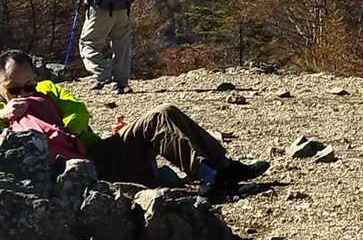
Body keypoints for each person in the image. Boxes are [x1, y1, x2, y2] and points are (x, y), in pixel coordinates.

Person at [0, 49, 269, 196]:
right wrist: (5, 115)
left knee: (163, 112)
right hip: (78, 173)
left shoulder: (47, 90)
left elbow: (79, 112)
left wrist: (69, 131)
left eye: (29, 86)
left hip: (97, 153)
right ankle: (212, 178)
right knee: (158, 122)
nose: (24, 94)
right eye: (14, 89)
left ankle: (221, 167)